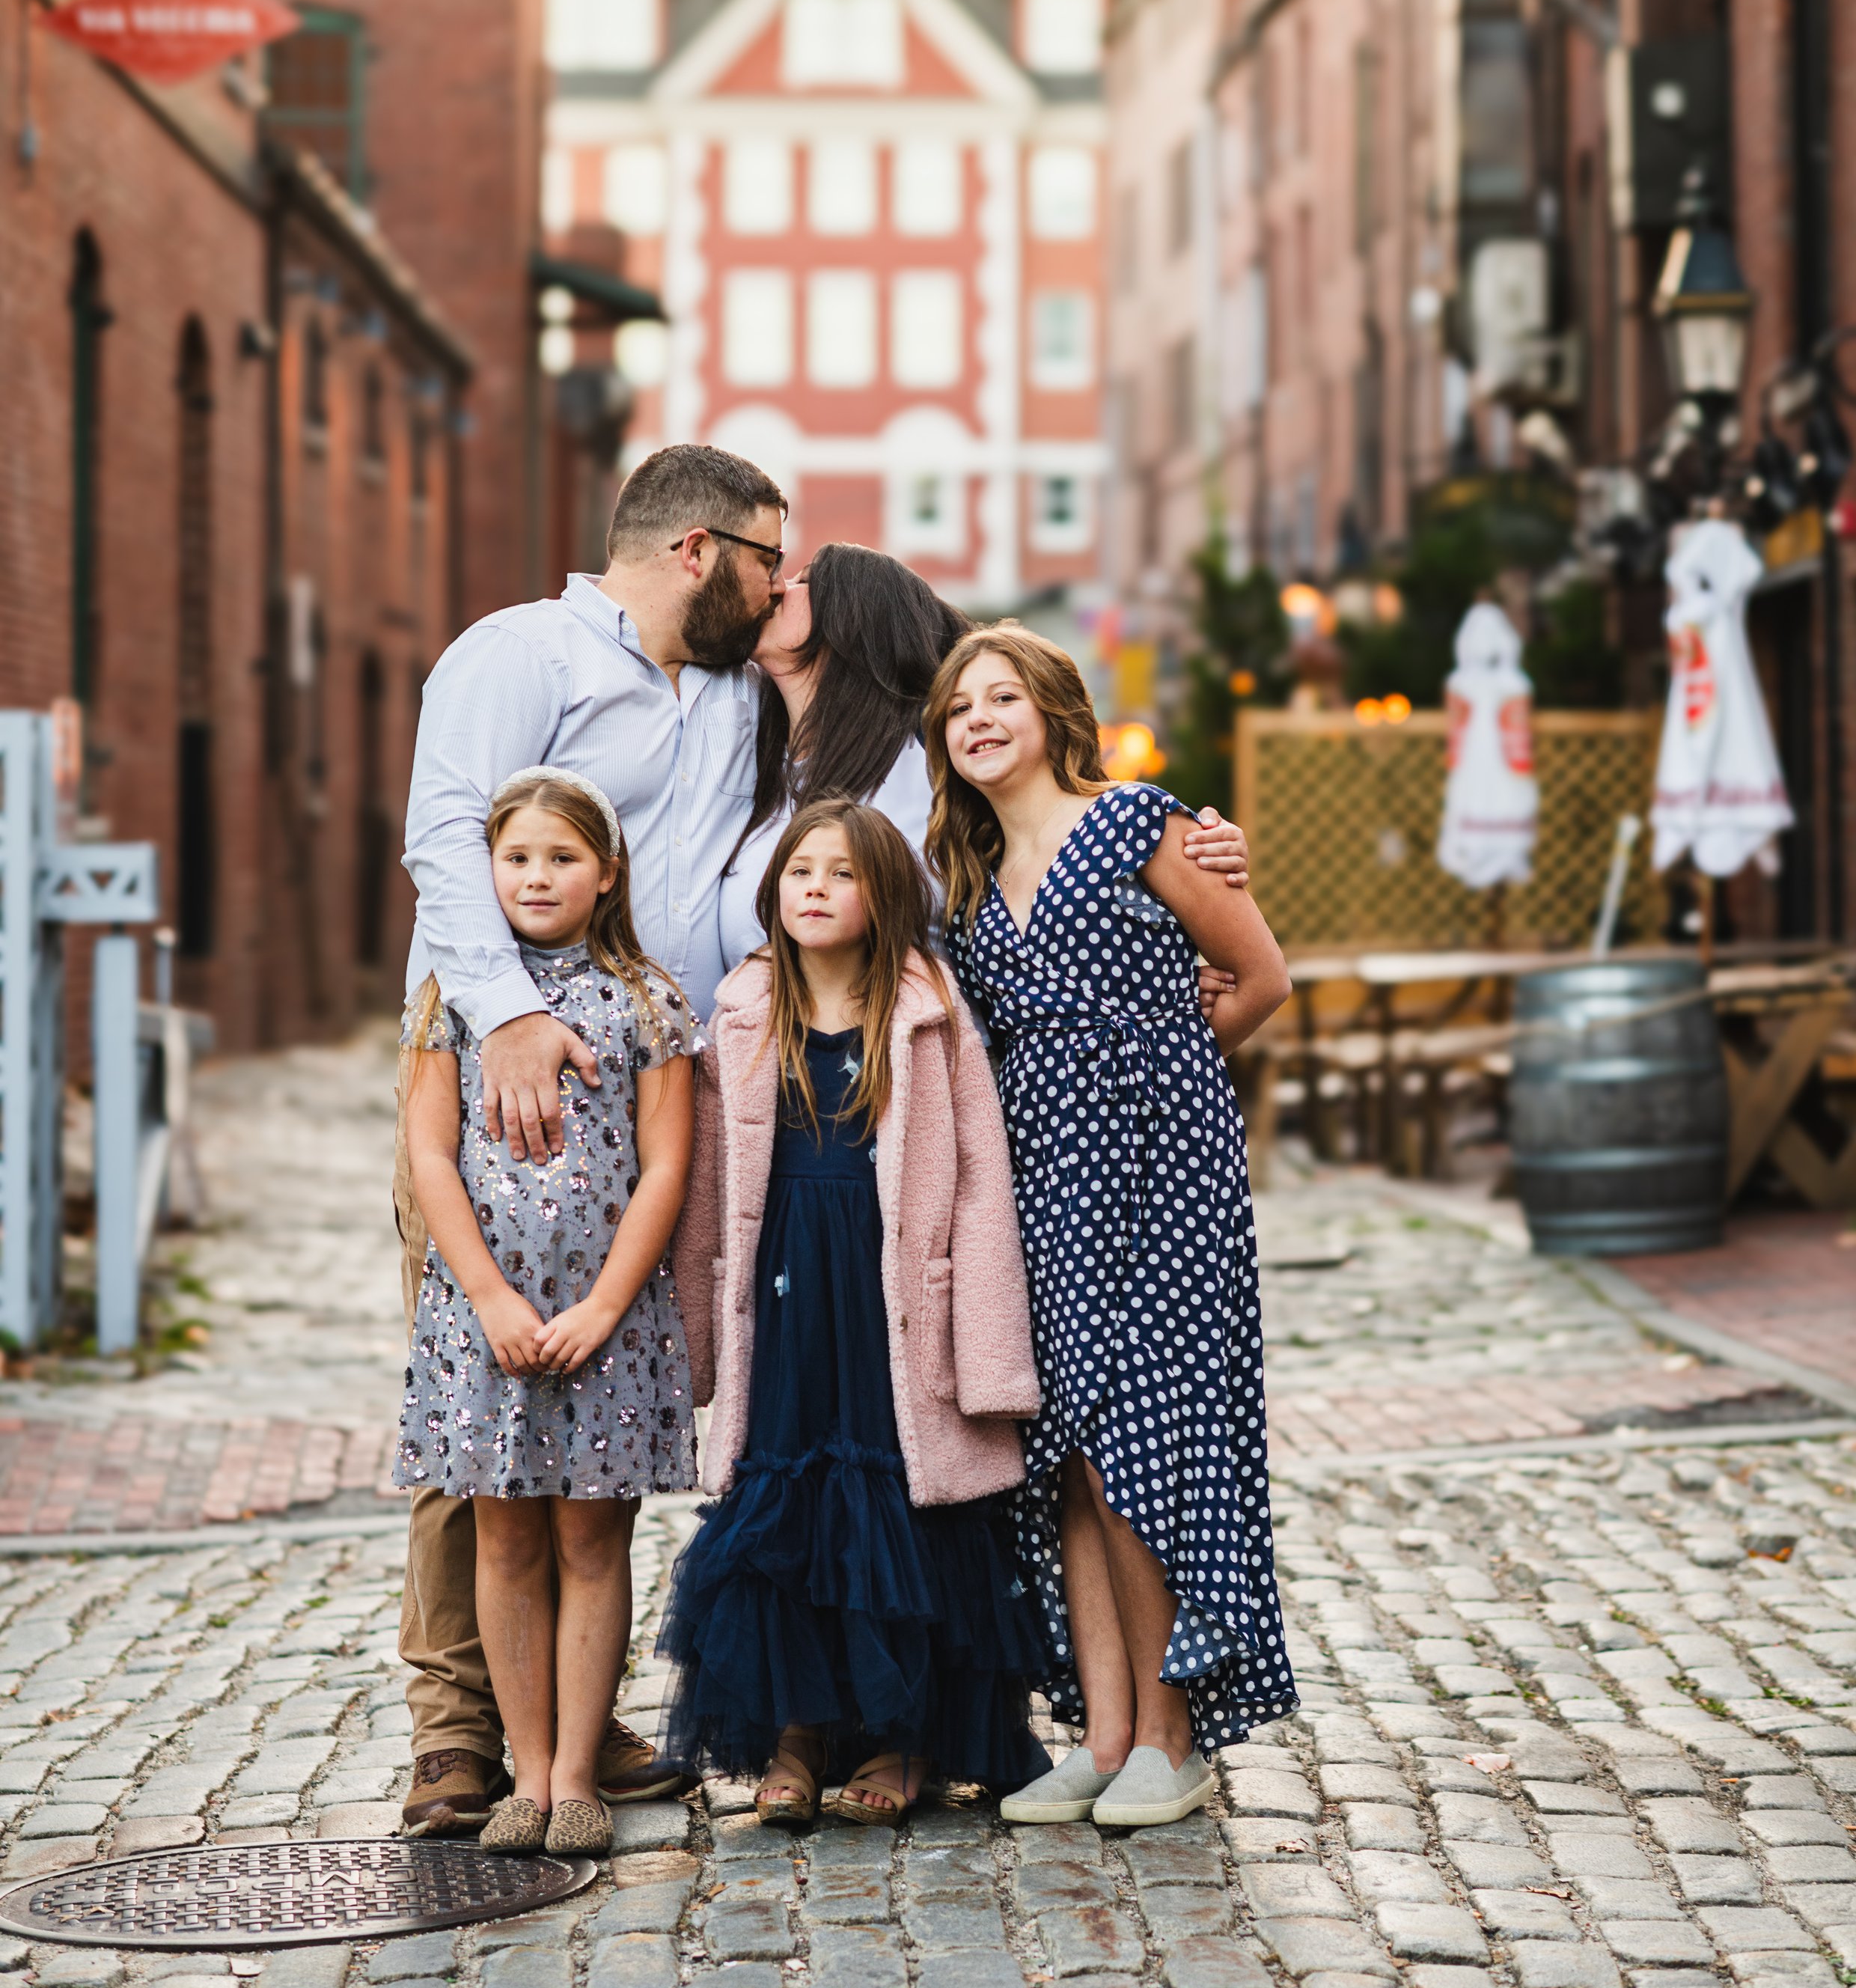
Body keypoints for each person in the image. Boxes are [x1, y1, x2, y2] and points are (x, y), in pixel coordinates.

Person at [394, 440, 786, 1837]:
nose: (778, 584)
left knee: (604, 1405)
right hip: (505, 1066)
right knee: (485, 1404)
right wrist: (503, 1016)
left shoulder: (739, 692)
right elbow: (447, 837)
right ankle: (462, 1735)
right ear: (699, 551)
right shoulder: (522, 653)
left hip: (661, 1072)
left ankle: (569, 1727)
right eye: (767, 558)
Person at [927, 623, 1296, 1832]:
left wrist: (1161, 1079)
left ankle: (1173, 1738)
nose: (978, 719)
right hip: (1037, 1178)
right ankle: (1107, 1728)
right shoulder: (968, 880)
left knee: (1141, 1433)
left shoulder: (1142, 823)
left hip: (1157, 1174)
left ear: (1051, 710)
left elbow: (1261, 977)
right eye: (958, 708)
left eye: (1001, 698)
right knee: (1069, 1454)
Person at [659, 801, 1050, 1827]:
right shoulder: (742, 1010)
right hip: (787, 1279)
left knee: (900, 1488)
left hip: (893, 1294)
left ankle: (900, 1735)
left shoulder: (926, 1008)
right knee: (785, 1487)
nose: (816, 888)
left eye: (840, 872)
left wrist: (987, 1339)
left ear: (884, 894)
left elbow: (978, 1176)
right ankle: (795, 1731)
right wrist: (696, 1335)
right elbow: (706, 1184)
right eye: (799, 872)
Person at [397, 766, 703, 1855]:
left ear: (606, 872)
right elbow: (432, 1153)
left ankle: (578, 1772)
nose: (536, 875)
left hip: (603, 1326)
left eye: (561, 857)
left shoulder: (646, 1000)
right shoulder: (454, 996)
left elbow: (665, 1167)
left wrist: (607, 1305)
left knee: (589, 1537)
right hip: (484, 1325)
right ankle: (522, 1772)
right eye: (517, 856)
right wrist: (486, 1294)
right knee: (506, 1538)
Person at [718, 541, 1252, 972]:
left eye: (807, 580)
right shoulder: (741, 740)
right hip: (759, 1078)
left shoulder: (937, 770)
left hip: (917, 1078)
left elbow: (1063, 833)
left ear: (853, 620)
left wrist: (1187, 849)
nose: (781, 587)